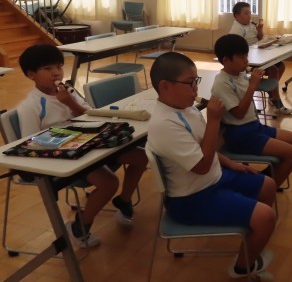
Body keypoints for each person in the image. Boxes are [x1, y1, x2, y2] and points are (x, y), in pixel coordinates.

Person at [146, 52, 277, 278]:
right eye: (190, 83)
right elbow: (202, 166)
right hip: (191, 198)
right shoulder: (164, 124)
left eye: (196, 81)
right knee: (266, 217)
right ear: (165, 86)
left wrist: (230, 163)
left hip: (213, 178)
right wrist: (214, 120)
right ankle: (243, 268)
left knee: (268, 185)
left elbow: (203, 147)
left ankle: (251, 235)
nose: (196, 89)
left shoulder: (185, 107)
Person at [16, 44, 147, 248]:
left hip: (91, 142)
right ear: (31, 74)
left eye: (59, 66)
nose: (56, 73)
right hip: (66, 154)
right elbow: (31, 143)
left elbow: (91, 115)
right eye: (48, 68)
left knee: (141, 157)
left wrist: (70, 103)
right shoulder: (30, 106)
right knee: (109, 182)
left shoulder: (68, 91)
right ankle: (81, 224)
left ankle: (124, 199)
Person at [212, 34, 292, 188]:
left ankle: (264, 180)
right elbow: (239, 114)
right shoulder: (222, 83)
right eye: (241, 57)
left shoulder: (239, 73)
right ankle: (266, 190)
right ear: (226, 60)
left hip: (254, 127)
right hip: (240, 135)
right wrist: (253, 86)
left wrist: (255, 78)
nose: (246, 61)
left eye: (246, 56)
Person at [229, 1, 292, 115]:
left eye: (250, 13)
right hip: (248, 60)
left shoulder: (250, 25)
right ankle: (276, 101)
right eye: (246, 13)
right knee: (273, 69)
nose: (249, 16)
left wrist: (259, 31)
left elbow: (259, 38)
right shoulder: (237, 28)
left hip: (257, 54)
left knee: (281, 65)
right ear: (237, 16)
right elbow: (236, 48)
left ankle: (272, 94)